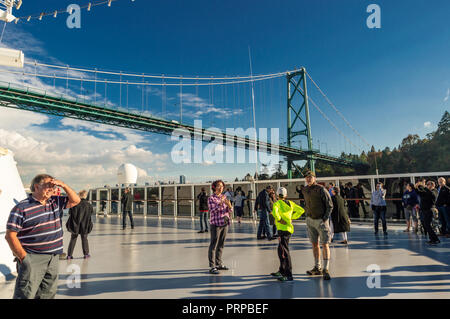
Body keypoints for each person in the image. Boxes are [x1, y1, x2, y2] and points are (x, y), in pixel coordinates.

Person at [5, 174, 80, 299]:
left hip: (53, 258)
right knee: (25, 293)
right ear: (36, 187)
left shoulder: (55, 202)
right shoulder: (21, 208)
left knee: (47, 293)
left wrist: (64, 185)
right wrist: (24, 258)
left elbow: (76, 200)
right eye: (48, 186)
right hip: (33, 258)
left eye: (53, 186)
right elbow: (10, 235)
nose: (51, 189)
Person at [298, 170, 334, 280]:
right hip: (310, 220)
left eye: (310, 177)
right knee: (314, 244)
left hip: (321, 221)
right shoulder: (305, 190)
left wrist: (324, 219)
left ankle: (326, 269)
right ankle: (317, 267)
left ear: (315, 178)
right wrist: (307, 216)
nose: (308, 179)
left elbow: (330, 205)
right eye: (306, 177)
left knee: (325, 244)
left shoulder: (321, 189)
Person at [270, 187, 305, 282]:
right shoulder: (290, 203)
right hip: (289, 229)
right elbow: (301, 210)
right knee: (280, 250)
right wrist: (292, 217)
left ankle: (288, 274)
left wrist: (280, 219)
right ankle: (281, 270)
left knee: (284, 252)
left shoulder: (277, 203)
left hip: (282, 229)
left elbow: (275, 213)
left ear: (277, 195)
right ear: (286, 195)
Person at [208, 180, 232, 274]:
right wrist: (220, 203)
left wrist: (230, 206)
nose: (221, 188)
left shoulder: (224, 196)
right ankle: (212, 266)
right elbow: (212, 210)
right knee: (213, 245)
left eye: (222, 186)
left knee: (221, 244)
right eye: (218, 186)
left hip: (224, 223)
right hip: (215, 224)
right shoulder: (211, 198)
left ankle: (219, 263)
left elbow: (229, 210)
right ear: (214, 187)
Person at [66, 190, 94, 259]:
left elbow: (70, 213)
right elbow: (90, 214)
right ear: (85, 196)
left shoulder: (75, 204)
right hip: (85, 224)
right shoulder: (89, 205)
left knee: (73, 238)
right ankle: (86, 254)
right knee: (84, 238)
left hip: (75, 224)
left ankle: (69, 255)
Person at [415, 180, 440, 244]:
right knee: (426, 225)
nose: (427, 185)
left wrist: (424, 187)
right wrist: (417, 187)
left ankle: (435, 239)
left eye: (428, 184)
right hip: (424, 210)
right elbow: (420, 193)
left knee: (428, 225)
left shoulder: (434, 191)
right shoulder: (427, 191)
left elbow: (430, 195)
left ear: (432, 185)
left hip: (429, 209)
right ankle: (433, 239)